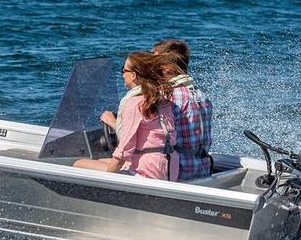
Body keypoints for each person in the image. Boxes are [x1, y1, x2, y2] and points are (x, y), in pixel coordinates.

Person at [74, 52, 179, 181]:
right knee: (100, 160)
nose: (122, 75)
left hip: (147, 171)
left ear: (133, 75)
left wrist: (108, 176)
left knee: (79, 164)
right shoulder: (163, 101)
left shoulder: (135, 103)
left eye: (123, 70)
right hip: (169, 168)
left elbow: (125, 148)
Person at [153, 39, 213, 180]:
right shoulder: (201, 95)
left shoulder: (168, 98)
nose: (151, 66)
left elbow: (154, 140)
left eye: (154, 62)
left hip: (178, 173)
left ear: (167, 67)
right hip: (202, 169)